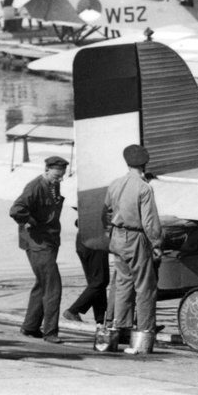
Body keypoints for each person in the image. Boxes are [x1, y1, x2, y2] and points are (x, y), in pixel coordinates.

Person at [104, 144, 163, 355]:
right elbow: (149, 223)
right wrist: (156, 244)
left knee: (122, 284)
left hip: (117, 237)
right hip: (135, 238)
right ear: (145, 163)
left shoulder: (115, 184)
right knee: (145, 287)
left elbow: (108, 211)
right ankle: (144, 334)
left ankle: (118, 329)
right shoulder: (144, 188)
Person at [9, 155, 68, 344]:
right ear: (47, 170)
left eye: (62, 176)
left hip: (49, 241)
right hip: (38, 244)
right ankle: (50, 332)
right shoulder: (34, 187)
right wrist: (30, 221)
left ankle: (30, 326)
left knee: (42, 285)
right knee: (53, 287)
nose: (59, 179)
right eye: (57, 175)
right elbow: (15, 210)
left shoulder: (53, 185)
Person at [63, 219, 109, 326]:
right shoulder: (98, 205)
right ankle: (74, 310)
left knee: (95, 283)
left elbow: (79, 221)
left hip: (84, 241)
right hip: (95, 242)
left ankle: (101, 319)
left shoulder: (88, 207)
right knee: (100, 280)